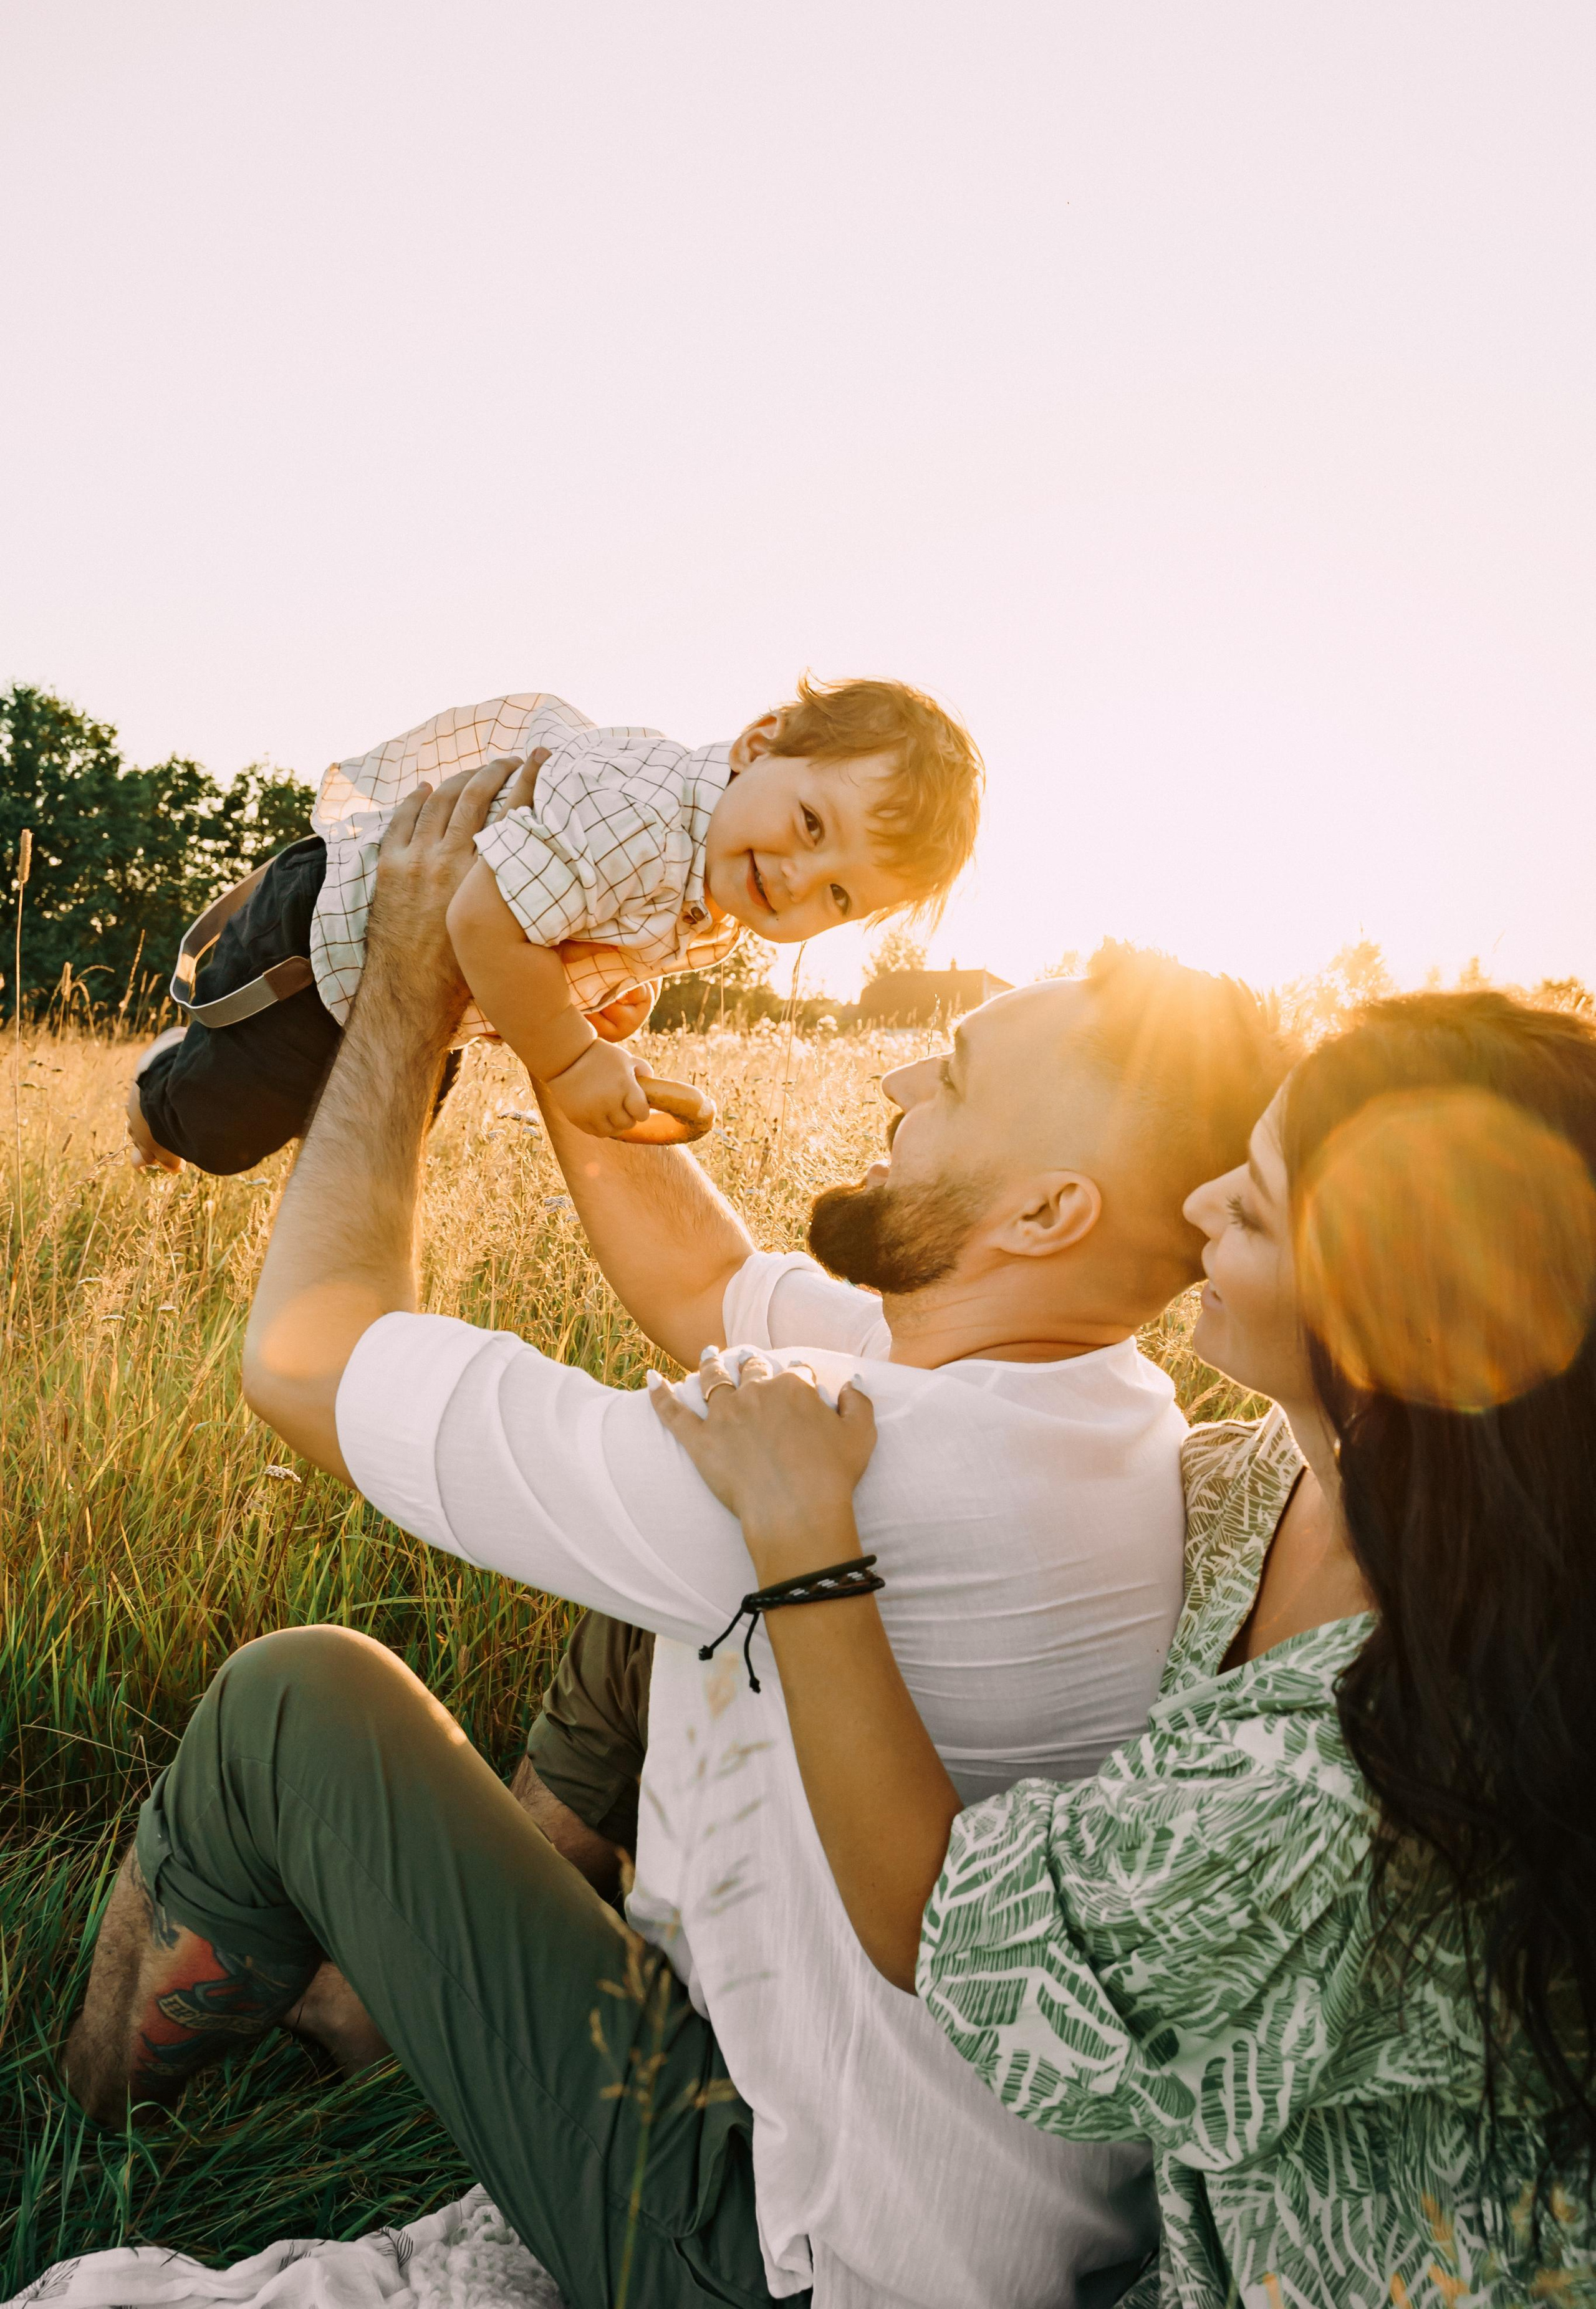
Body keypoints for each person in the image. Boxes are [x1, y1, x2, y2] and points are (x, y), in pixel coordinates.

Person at [65, 763, 1291, 2309]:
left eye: (956, 1079)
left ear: (1042, 1214)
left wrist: (406, 1004)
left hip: (767, 2256)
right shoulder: (1082, 1399)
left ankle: (78, 2127)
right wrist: (567, 1045)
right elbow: (711, 1285)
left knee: (291, 1702)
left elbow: (304, 1361)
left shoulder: (878, 1474)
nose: (901, 1081)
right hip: (959, 2217)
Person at [651, 989, 1596, 2308]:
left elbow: (938, 1932)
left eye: (1253, 1209)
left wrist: (804, 1541)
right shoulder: (1271, 1481)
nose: (1200, 1206)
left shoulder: (1351, 1775)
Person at [127, 673, 982, 1174]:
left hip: (414, 992)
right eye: (811, 825)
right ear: (760, 745)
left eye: (840, 897)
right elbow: (484, 919)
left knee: (380, 1149)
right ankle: (161, 1089)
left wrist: (592, 999)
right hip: (324, 942)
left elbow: (558, 930)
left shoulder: (714, 880)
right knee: (221, 1133)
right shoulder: (643, 818)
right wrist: (570, 1058)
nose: (799, 881)